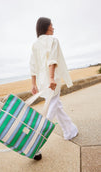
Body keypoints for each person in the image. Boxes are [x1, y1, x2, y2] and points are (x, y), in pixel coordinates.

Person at [30, 17, 78, 160]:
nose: (53, 27)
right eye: (51, 25)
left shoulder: (35, 44)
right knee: (50, 110)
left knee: (56, 105)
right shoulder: (53, 40)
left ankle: (70, 131)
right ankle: (34, 144)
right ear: (46, 27)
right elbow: (52, 60)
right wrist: (52, 78)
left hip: (42, 81)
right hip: (52, 80)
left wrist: (33, 84)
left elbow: (32, 66)